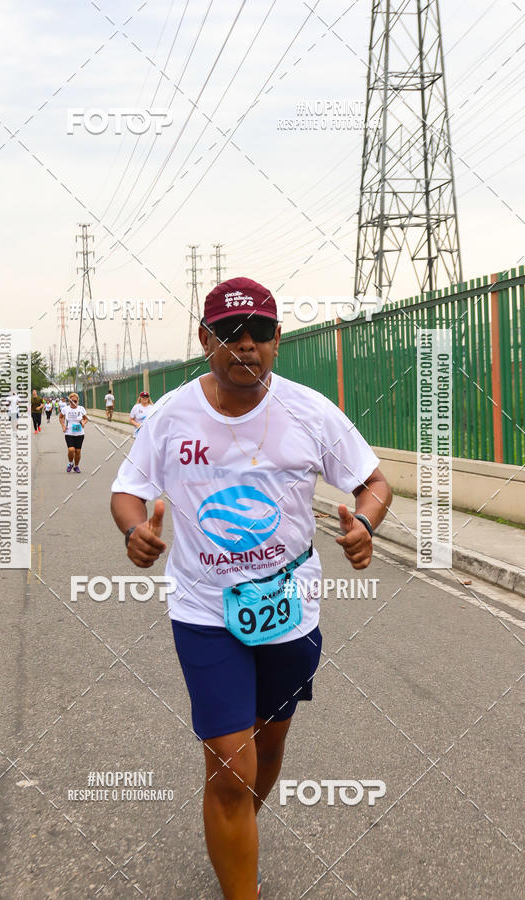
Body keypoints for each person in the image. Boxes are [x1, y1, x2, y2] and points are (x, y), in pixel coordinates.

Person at [110, 277, 392, 899]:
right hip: (204, 610)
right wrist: (135, 531)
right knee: (233, 770)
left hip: (289, 609)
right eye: (230, 334)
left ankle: (233, 827)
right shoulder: (171, 415)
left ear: (277, 339)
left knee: (266, 749)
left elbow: (373, 481)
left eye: (259, 332)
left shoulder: (309, 410)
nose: (245, 345)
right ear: (205, 339)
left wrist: (365, 524)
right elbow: (128, 491)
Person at [59, 392, 88, 473]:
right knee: (71, 449)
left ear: (77, 401)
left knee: (78, 451)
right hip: (69, 433)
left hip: (80, 433)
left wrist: (83, 423)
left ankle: (76, 466)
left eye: (75, 401)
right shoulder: (65, 409)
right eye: (72, 401)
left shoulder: (81, 408)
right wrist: (63, 426)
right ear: (69, 401)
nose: (73, 402)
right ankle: (71, 463)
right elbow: (61, 417)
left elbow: (85, 418)